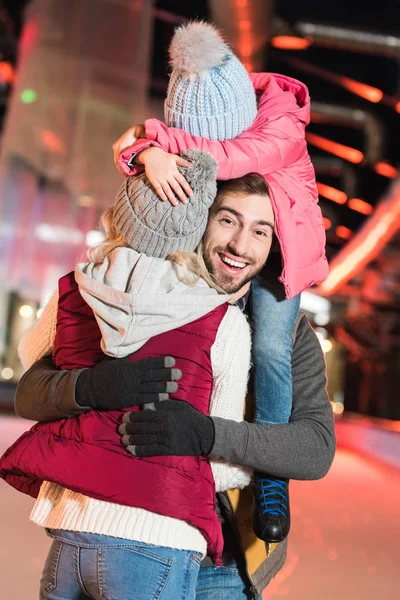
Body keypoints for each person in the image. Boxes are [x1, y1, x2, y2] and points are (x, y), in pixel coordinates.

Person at [11, 173, 335, 600]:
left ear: (275, 244)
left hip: (227, 561)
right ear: (201, 218)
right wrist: (90, 386)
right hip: (113, 534)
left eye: (261, 231)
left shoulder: (287, 334)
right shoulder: (136, 294)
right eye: (227, 220)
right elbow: (31, 392)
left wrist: (210, 435)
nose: (240, 246)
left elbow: (315, 447)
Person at [112, 20, 329, 544]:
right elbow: (147, 146)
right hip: (154, 525)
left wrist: (153, 145)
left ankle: (273, 479)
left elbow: (220, 158)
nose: (235, 241)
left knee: (272, 349)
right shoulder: (224, 119)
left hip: (281, 264)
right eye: (226, 219)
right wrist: (143, 151)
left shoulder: (279, 127)